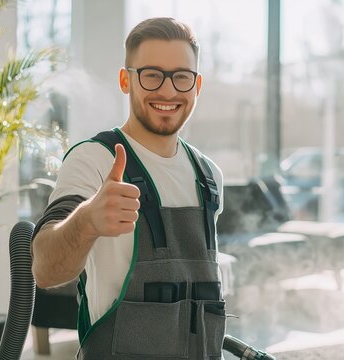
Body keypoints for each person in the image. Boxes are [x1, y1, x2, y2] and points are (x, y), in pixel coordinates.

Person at [31, 17, 226, 359]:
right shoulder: (93, 159)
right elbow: (45, 270)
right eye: (152, 74)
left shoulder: (209, 177)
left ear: (197, 85)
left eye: (181, 76)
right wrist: (87, 220)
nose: (168, 91)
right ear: (126, 80)